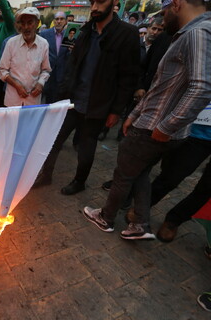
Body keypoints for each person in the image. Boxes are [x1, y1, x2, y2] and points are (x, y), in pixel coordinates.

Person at [83, 0, 211, 240]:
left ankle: (106, 218)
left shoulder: (198, 32)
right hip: (155, 124)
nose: (162, 17)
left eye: (164, 9)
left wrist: (167, 125)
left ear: (178, 4)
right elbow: (160, 88)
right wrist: (134, 114)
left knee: (123, 173)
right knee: (139, 172)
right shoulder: (190, 33)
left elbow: (202, 87)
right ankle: (140, 224)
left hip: (155, 128)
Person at [34, 0, 140, 195]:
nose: (94, 8)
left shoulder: (127, 33)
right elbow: (72, 66)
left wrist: (116, 111)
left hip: (98, 104)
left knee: (86, 146)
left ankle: (79, 181)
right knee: (54, 140)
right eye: (92, 2)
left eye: (100, 2)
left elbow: (128, 77)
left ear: (114, 2)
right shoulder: (85, 31)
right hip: (73, 101)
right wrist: (62, 97)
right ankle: (45, 174)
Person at [0, 7, 50, 107]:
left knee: (31, 123)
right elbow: (1, 70)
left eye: (30, 23)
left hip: (33, 101)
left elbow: (46, 70)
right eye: (23, 23)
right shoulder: (11, 43)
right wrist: (16, 85)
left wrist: (40, 83)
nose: (26, 27)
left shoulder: (44, 44)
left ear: (37, 23)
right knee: (12, 123)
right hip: (13, 100)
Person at [40, 11, 71, 104]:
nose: (59, 21)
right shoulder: (44, 34)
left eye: (61, 19)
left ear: (65, 21)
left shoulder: (70, 35)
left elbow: (70, 57)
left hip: (61, 77)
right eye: (57, 19)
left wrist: (72, 51)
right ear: (53, 21)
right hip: (46, 75)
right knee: (43, 104)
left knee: (57, 105)